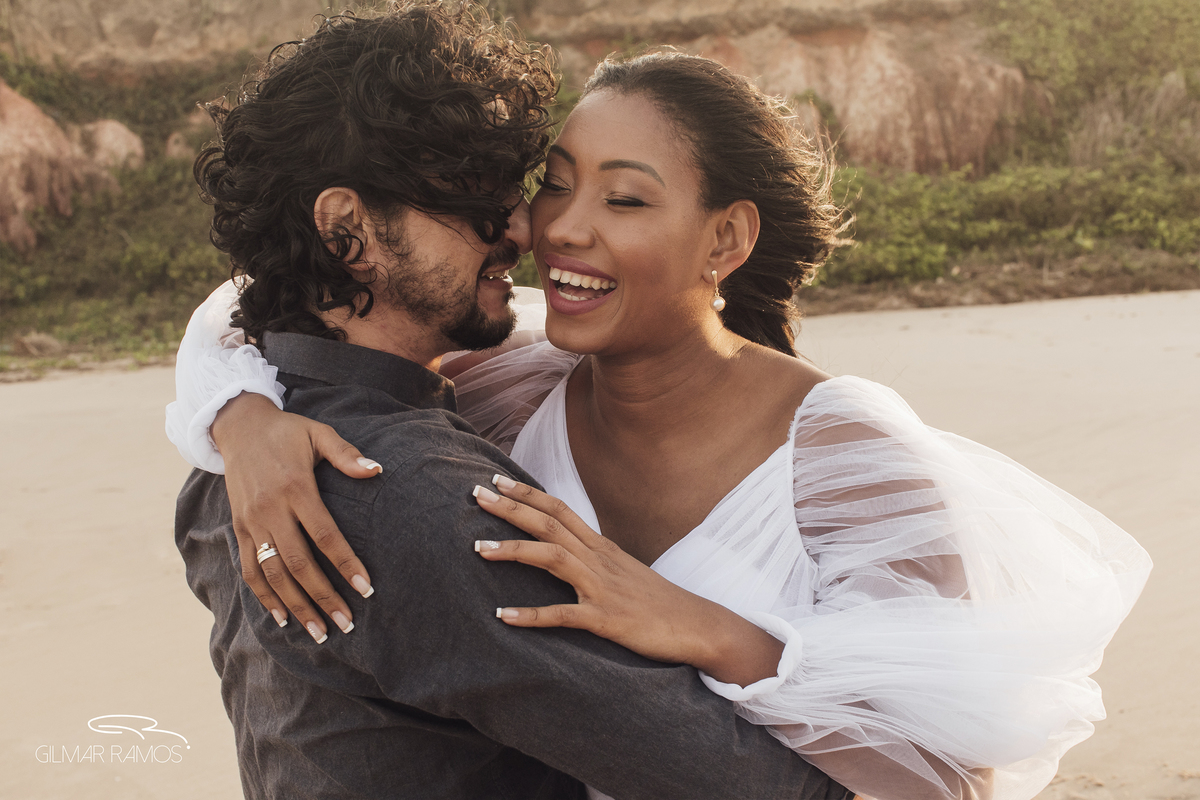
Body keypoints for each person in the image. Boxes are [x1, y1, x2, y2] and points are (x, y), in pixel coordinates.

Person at [169, 44, 1152, 800]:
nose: (551, 228)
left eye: (625, 195)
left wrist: (711, 629)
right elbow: (263, 300)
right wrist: (242, 415)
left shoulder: (849, 456)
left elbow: (953, 773)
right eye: (553, 183)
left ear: (724, 236)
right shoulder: (508, 382)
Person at [170, 5, 857, 800]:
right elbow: (744, 779)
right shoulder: (423, 502)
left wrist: (236, 412)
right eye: (471, 205)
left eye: (517, 190)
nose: (523, 228)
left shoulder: (222, 465)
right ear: (346, 230)